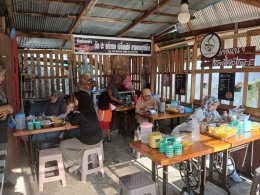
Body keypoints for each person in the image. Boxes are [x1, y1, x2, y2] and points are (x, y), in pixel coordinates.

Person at [191, 95, 242, 183]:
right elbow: (195, 126)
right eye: (213, 105)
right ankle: (204, 169)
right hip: (201, 138)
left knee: (223, 151)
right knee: (214, 152)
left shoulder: (214, 112)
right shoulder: (200, 111)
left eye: (215, 106)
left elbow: (219, 121)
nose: (215, 107)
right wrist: (204, 121)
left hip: (213, 136)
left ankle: (230, 171)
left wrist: (224, 117)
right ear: (208, 104)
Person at [59, 92, 103, 173]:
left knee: (62, 145)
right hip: (99, 141)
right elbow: (76, 119)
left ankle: (76, 162)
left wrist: (68, 110)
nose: (74, 100)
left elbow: (72, 121)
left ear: (81, 100)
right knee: (79, 145)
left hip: (89, 142)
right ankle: (81, 161)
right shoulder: (92, 110)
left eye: (75, 99)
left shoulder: (79, 112)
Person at [0, 65, 14, 187]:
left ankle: (4, 181)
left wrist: (6, 110)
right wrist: (6, 108)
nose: (3, 78)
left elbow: (10, 107)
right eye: (2, 75)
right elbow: (8, 106)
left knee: (3, 153)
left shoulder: (0, 90)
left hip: (2, 128)